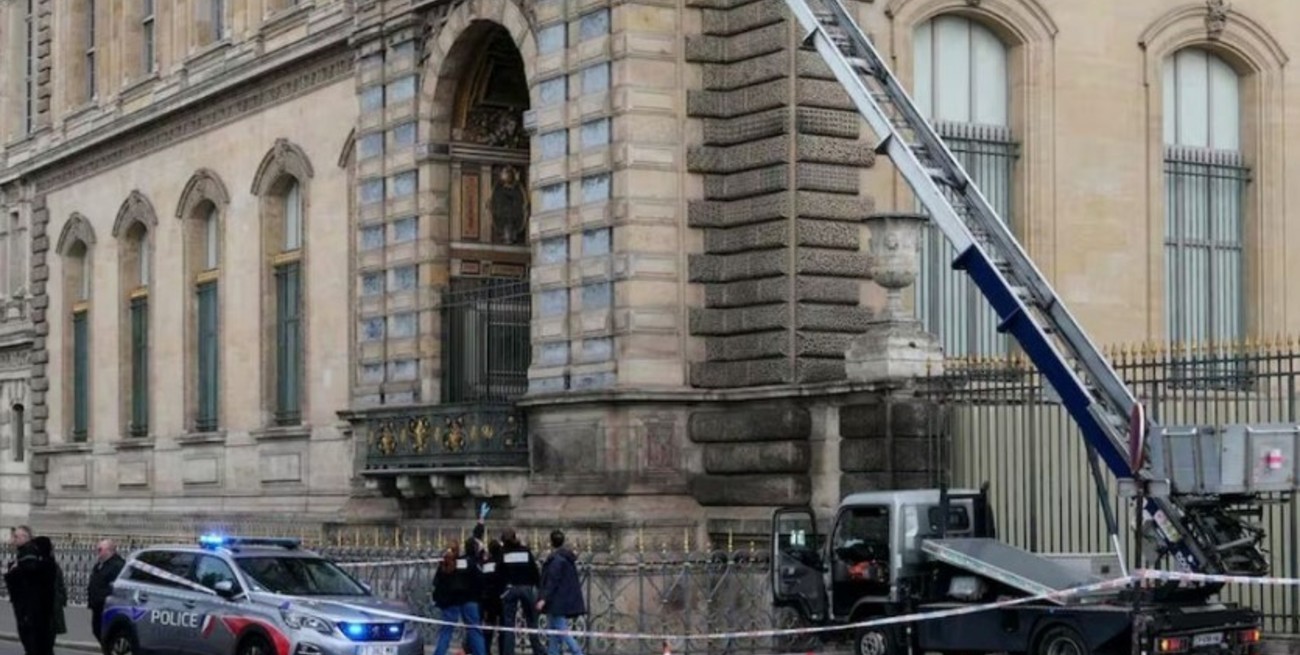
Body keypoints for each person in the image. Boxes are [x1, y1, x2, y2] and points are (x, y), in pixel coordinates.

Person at [4, 526, 57, 655]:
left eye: (16, 537)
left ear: (25, 537)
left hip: (30, 607)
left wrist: (12, 572)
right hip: (33, 607)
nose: (13, 540)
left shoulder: (28, 554)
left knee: (33, 642)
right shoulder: (28, 554)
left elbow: (26, 579)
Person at [497, 529, 547, 655]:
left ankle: (508, 652)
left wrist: (501, 589)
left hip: (510, 588)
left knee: (509, 624)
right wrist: (537, 586)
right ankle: (538, 651)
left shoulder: (503, 553)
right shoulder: (525, 551)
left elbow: (499, 573)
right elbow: (534, 571)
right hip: (526, 587)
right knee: (531, 621)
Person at [431, 542, 486, 655]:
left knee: (446, 632)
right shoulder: (468, 562)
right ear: (459, 550)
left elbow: (436, 583)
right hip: (469, 599)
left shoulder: (444, 564)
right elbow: (479, 579)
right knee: (474, 631)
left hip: (450, 601)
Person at [537, 530, 586, 655]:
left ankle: (578, 652)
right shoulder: (565, 558)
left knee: (561, 630)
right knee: (553, 632)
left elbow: (552, 581)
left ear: (551, 542)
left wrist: (543, 599)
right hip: (560, 600)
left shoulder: (557, 560)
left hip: (556, 602)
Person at [87, 539, 126, 644]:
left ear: (109, 550)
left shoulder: (117, 565)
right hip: (97, 605)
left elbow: (117, 586)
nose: (97, 552)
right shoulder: (100, 564)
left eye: (100, 549)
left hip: (107, 605)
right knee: (97, 630)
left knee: (107, 633)